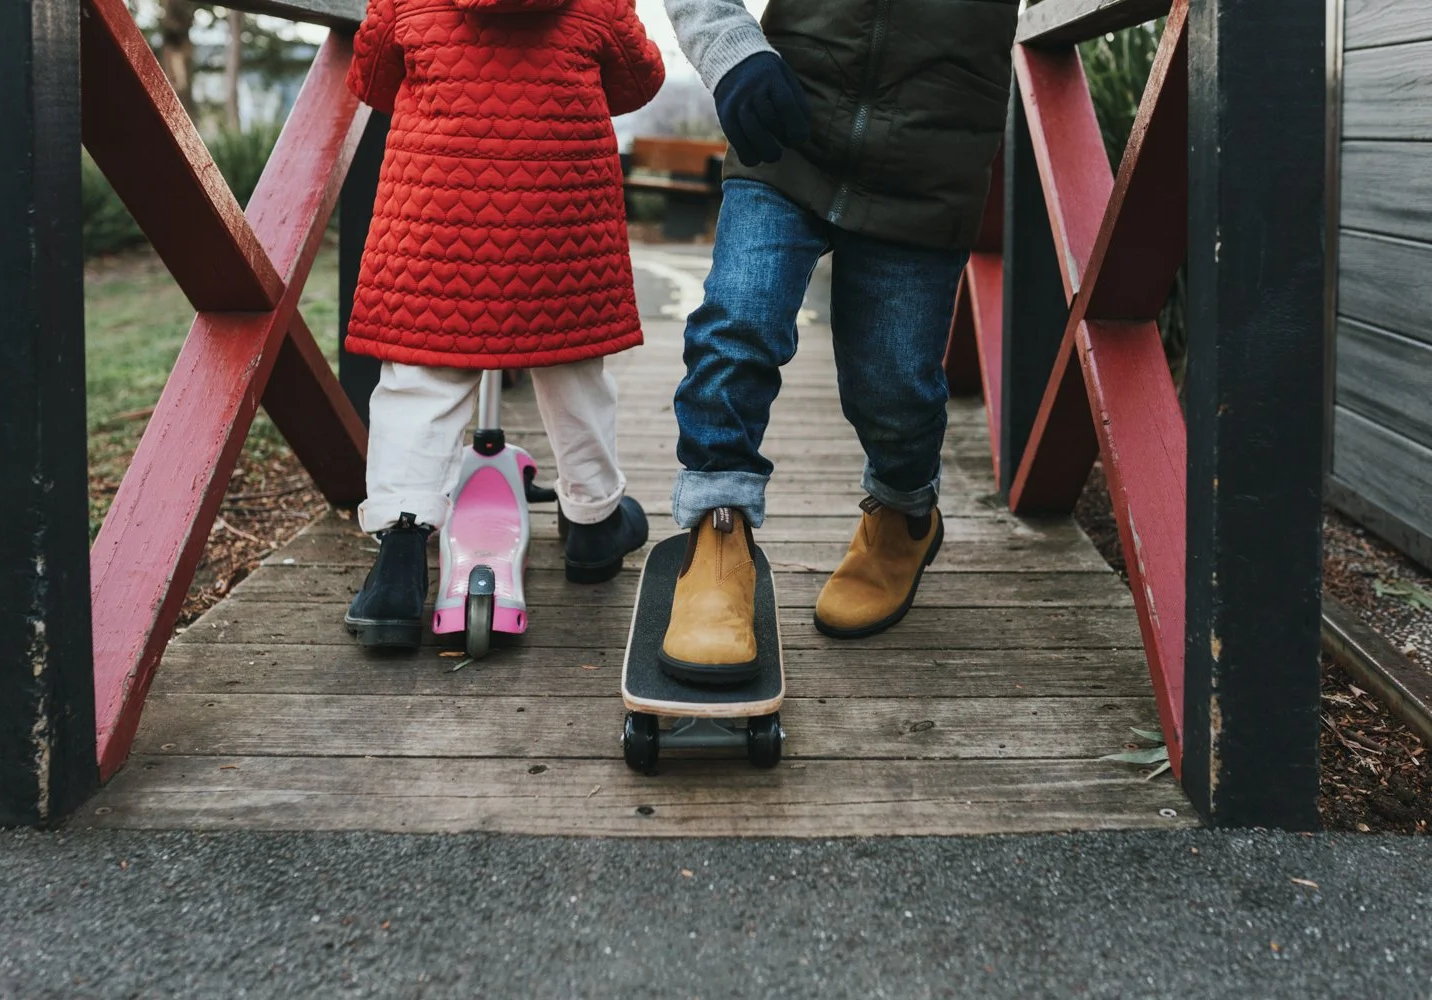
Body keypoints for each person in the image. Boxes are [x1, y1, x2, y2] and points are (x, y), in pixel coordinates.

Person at [658, 0, 1019, 682]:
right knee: (737, 323)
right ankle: (717, 527)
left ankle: (903, 515)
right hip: (788, 130)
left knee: (893, 386)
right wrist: (729, 49)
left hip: (929, 164)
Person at [341, 0, 666, 648]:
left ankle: (398, 568)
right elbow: (639, 81)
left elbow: (371, 78)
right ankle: (595, 519)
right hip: (557, 222)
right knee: (574, 367)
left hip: (434, 224)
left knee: (419, 379)